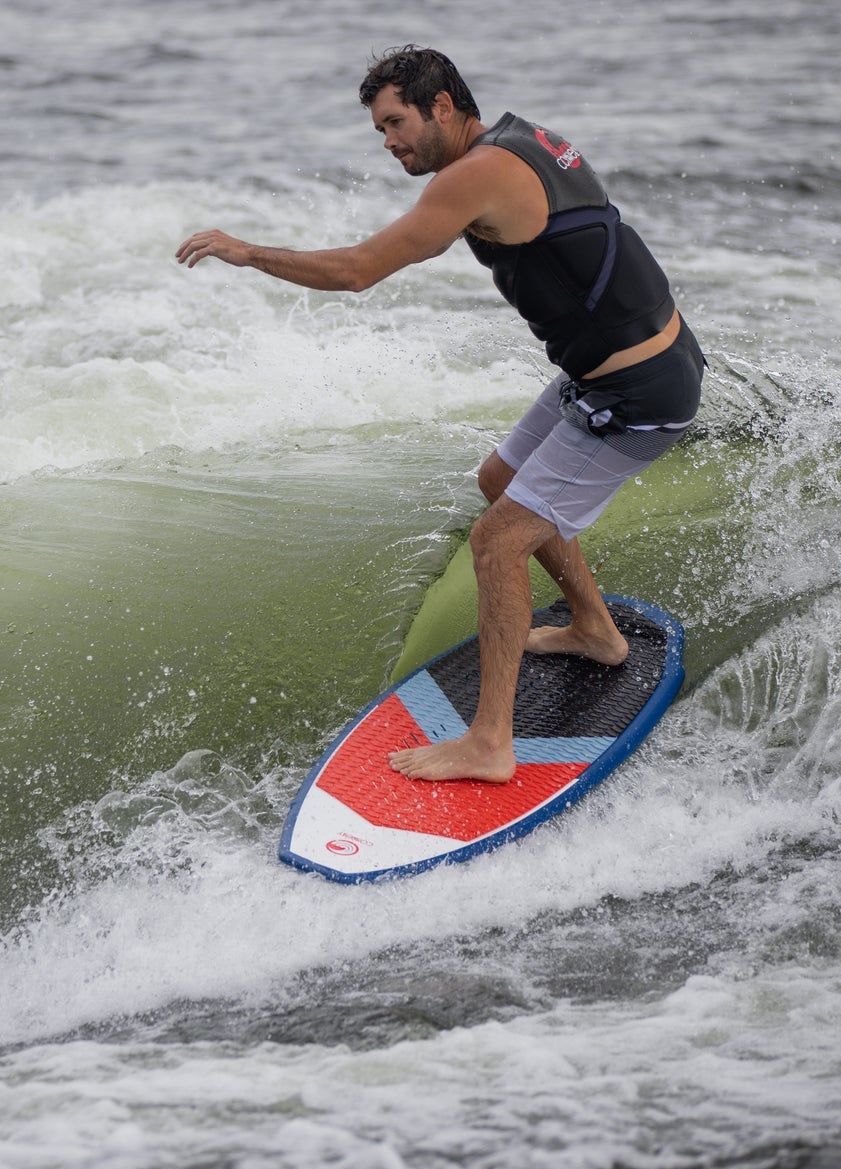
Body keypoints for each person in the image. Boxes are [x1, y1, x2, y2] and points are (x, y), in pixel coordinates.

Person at [176, 45, 704, 784]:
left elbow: (358, 271)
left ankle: (490, 744)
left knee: (497, 543)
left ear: (444, 107)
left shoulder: (475, 175)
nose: (388, 142)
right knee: (501, 480)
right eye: (380, 130)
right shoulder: (522, 140)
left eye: (396, 123)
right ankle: (594, 629)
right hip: (622, 365)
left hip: (636, 391)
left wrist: (248, 252)